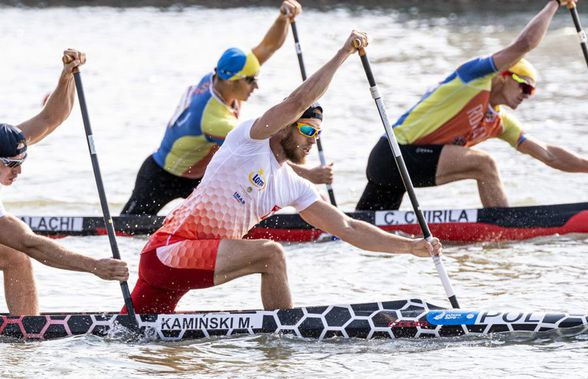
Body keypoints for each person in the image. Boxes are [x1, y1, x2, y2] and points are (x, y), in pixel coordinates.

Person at [122, 31, 442, 315]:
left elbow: (347, 227)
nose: (311, 140)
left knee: (124, 334)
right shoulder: (249, 140)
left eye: (316, 134)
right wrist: (343, 53)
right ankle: (284, 339)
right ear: (284, 126)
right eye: (305, 129)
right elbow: (299, 99)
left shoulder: (292, 185)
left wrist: (410, 246)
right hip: (166, 253)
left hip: (181, 265)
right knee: (271, 254)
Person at [356, 0, 588, 211]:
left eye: (532, 92)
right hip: (393, 154)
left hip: (398, 167)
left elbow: (549, 156)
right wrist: (555, 4)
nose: (527, 95)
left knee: (360, 231)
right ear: (503, 75)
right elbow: (525, 44)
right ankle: (503, 228)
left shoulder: (498, 122)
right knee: (484, 164)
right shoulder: (474, 76)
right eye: (524, 87)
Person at [121, 0, 333, 216]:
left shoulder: (224, 77)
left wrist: (283, 18)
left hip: (200, 177)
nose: (256, 86)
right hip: (161, 176)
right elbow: (262, 153)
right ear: (232, 81)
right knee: (127, 228)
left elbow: (268, 47)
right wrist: (308, 175)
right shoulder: (214, 120)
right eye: (251, 81)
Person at [0, 50, 129, 316]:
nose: (19, 171)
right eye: (12, 164)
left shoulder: (6, 139)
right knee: (18, 246)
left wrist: (66, 77)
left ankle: (26, 336)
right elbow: (31, 243)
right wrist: (95, 266)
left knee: (14, 257)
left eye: (22, 161)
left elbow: (50, 119)